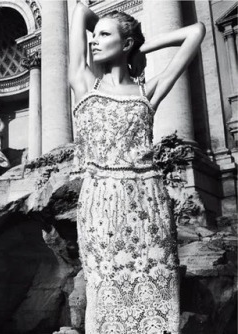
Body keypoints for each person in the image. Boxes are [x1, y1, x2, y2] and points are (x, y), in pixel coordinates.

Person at [69, 2, 205, 334]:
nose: (94, 40)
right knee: (106, 297)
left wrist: (142, 45)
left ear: (126, 43)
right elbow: (81, 11)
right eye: (94, 35)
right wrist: (107, 29)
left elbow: (196, 32)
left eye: (104, 35)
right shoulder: (84, 81)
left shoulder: (148, 90)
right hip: (102, 203)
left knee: (158, 297)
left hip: (150, 205)